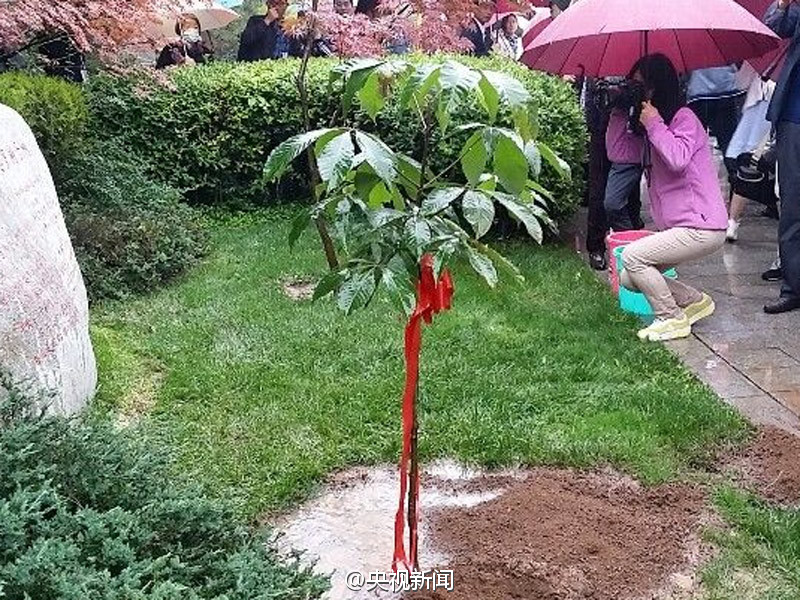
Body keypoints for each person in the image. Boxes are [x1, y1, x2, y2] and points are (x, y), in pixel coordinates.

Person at [608, 54, 728, 342]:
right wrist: (619, 111)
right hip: (681, 226)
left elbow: (677, 159)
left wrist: (654, 123)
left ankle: (670, 318)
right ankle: (693, 300)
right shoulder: (654, 131)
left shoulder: (684, 119)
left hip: (702, 226)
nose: (638, 93)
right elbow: (618, 153)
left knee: (634, 257)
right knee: (629, 277)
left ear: (658, 87)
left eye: (641, 87)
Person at [763, 0, 800, 314]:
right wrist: (783, 3)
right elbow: (772, 29)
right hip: (793, 119)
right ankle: (793, 288)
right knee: (792, 207)